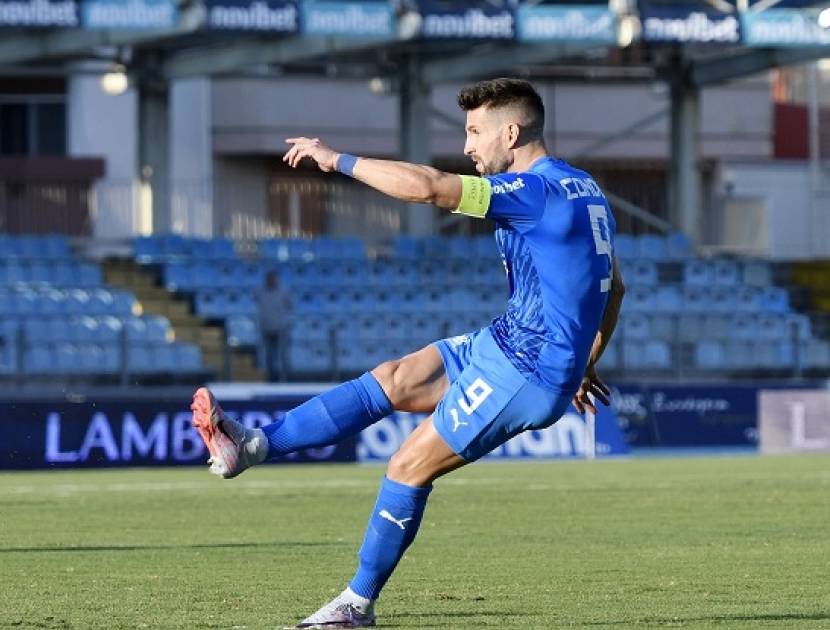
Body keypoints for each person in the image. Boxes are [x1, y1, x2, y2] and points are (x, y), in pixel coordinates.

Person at [189, 78, 624, 629]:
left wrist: (336, 160)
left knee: (408, 466)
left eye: (475, 132)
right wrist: (585, 359)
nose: (468, 146)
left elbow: (432, 188)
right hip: (509, 341)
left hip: (525, 368)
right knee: (392, 379)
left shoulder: (532, 192)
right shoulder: (583, 188)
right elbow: (615, 287)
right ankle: (252, 446)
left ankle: (356, 605)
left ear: (511, 134)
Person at [256, 270, 293, 382]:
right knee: (268, 356)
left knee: (282, 355)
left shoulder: (284, 291)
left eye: (273, 278)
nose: (271, 280)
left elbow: (290, 306)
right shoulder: (260, 292)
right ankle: (271, 378)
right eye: (269, 279)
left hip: (281, 327)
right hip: (266, 328)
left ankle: (285, 378)